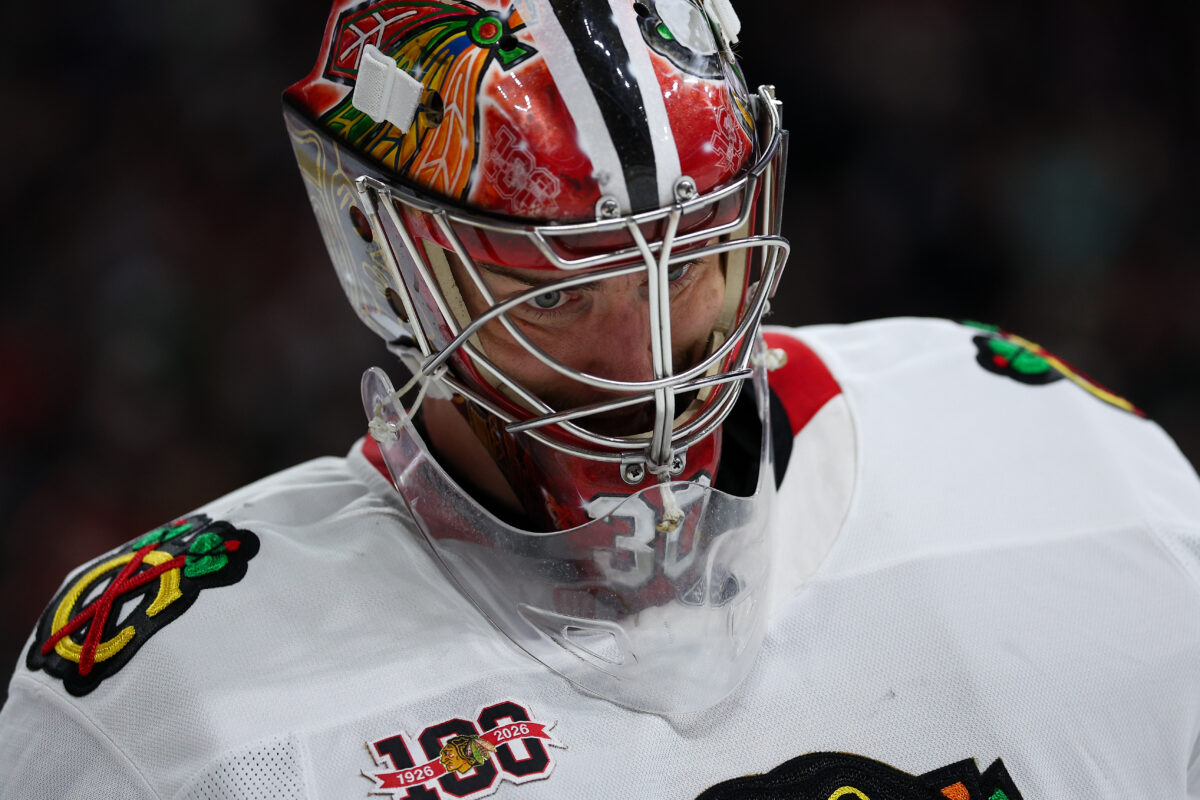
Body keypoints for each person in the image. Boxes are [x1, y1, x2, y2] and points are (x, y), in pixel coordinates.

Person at [2, 1, 1199, 798]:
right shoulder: (170, 709)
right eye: (561, 292)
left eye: (686, 256)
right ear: (387, 260)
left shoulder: (1063, 458)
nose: (649, 357)